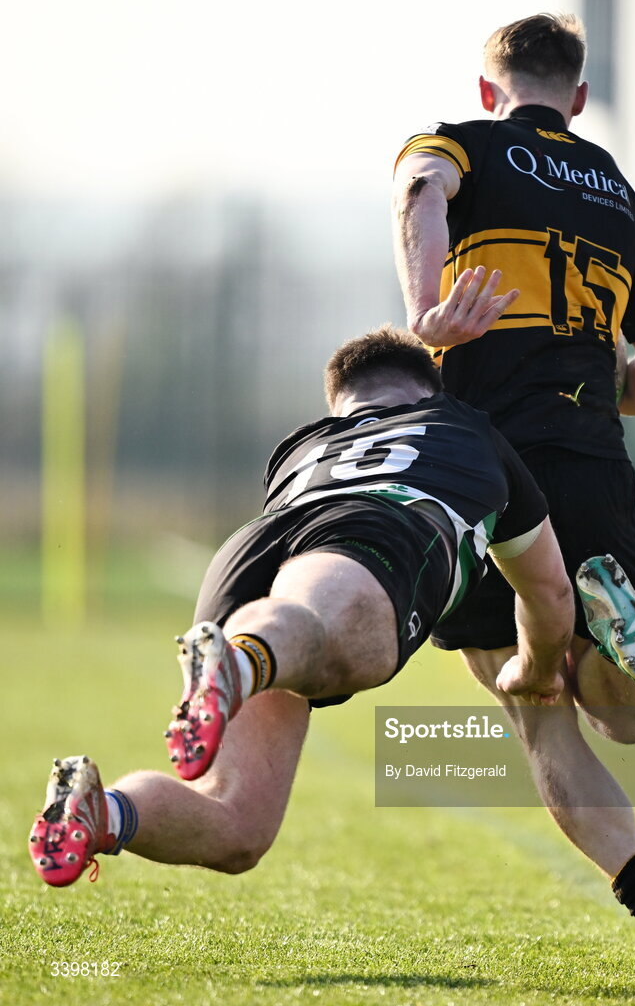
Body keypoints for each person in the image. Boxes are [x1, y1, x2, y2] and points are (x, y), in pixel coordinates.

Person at [29, 325, 574, 885]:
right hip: (373, 523)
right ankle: (234, 665)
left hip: (250, 547)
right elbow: (550, 592)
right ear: (428, 390)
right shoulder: (465, 425)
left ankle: (101, 814)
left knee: (238, 825)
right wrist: (536, 668)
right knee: (350, 646)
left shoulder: (300, 443)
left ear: (339, 403)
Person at [392, 12, 635, 961]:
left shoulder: (464, 143)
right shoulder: (619, 192)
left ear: (494, 91)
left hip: (492, 464)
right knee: (626, 713)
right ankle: (629, 643)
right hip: (592, 453)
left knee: (535, 711)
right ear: (574, 98)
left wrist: (427, 314)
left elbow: (420, 187)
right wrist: (592, 372)